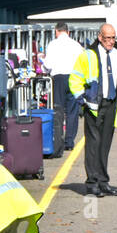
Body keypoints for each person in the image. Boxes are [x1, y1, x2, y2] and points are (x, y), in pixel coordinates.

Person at [69, 23, 117, 197]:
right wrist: (83, 100)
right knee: (93, 144)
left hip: (112, 105)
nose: (111, 41)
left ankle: (103, 182)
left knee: (105, 145)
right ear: (100, 37)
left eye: (113, 37)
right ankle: (92, 183)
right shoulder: (88, 55)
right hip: (93, 106)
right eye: (107, 38)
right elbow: (75, 78)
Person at [43, 22, 84, 151]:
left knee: (58, 110)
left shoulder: (52, 44)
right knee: (72, 111)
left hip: (58, 78)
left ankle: (58, 140)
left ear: (56, 31)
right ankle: (69, 142)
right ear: (68, 32)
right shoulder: (77, 45)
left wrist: (42, 62)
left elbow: (48, 66)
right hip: (74, 78)